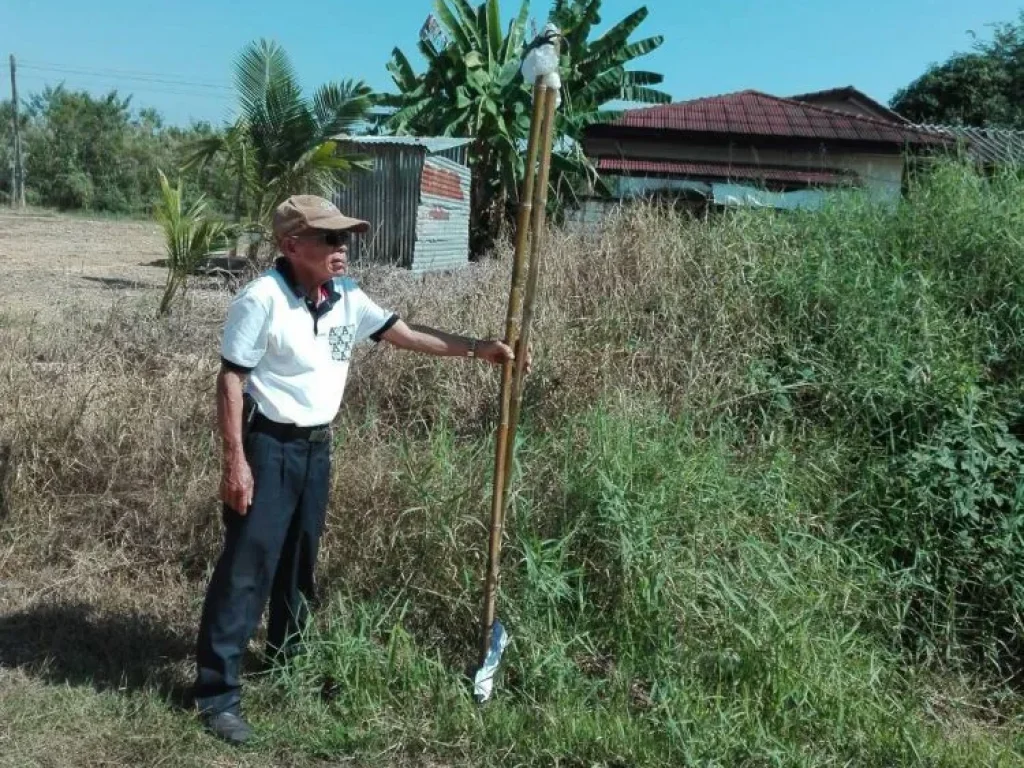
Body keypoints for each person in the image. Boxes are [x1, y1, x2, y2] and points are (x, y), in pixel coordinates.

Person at [193, 194, 519, 745]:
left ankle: (284, 660)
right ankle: (216, 694)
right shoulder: (261, 299)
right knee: (247, 568)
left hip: (317, 449)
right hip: (269, 447)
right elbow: (231, 382)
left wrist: (478, 349)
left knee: (300, 562)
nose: (342, 248)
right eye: (329, 238)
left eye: (344, 238)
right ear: (291, 245)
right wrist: (236, 464)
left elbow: (407, 333)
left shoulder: (345, 296)